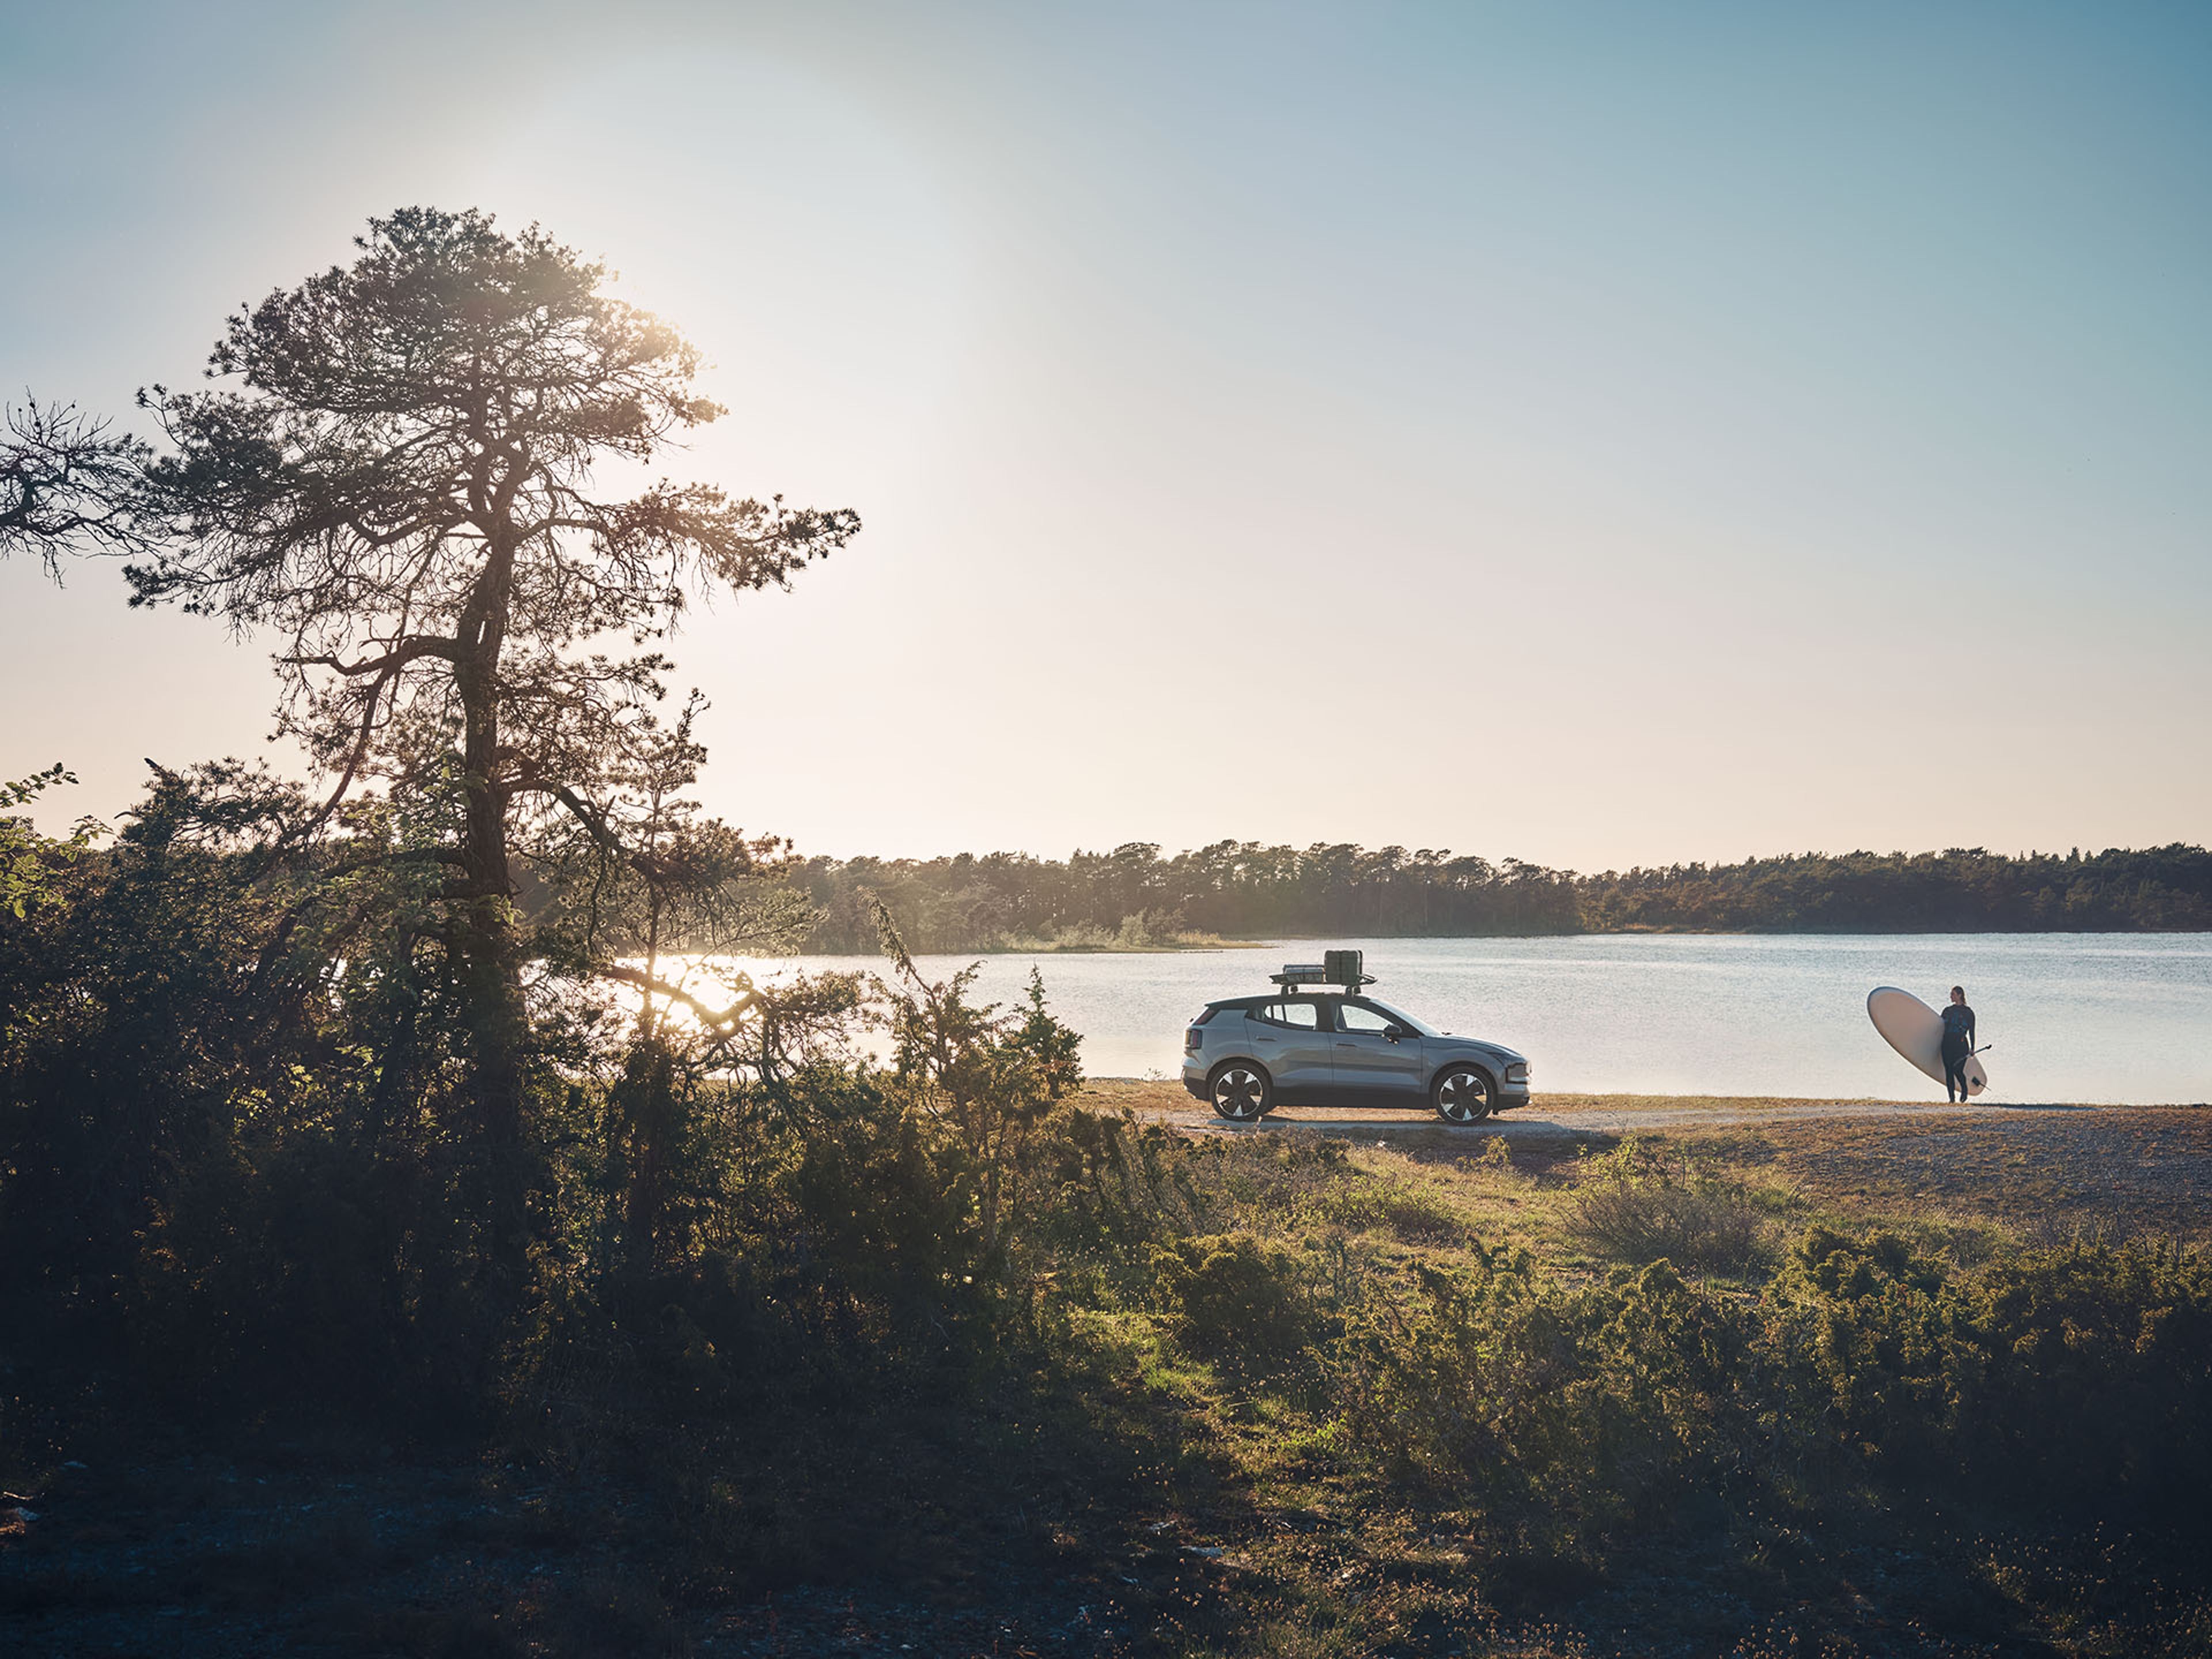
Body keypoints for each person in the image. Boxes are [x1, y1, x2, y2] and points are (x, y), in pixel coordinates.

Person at [1939, 985, 1977, 1101]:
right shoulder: (1947, 1011)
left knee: (1958, 1070)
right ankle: (1952, 1099)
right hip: (1947, 1043)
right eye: (1951, 994)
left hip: (1961, 1044)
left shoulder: (1969, 1013)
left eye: (1953, 994)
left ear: (1960, 995)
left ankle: (1964, 1090)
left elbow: (1972, 1031)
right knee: (1949, 1071)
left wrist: (1972, 1047)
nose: (1951, 996)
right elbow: (1938, 1027)